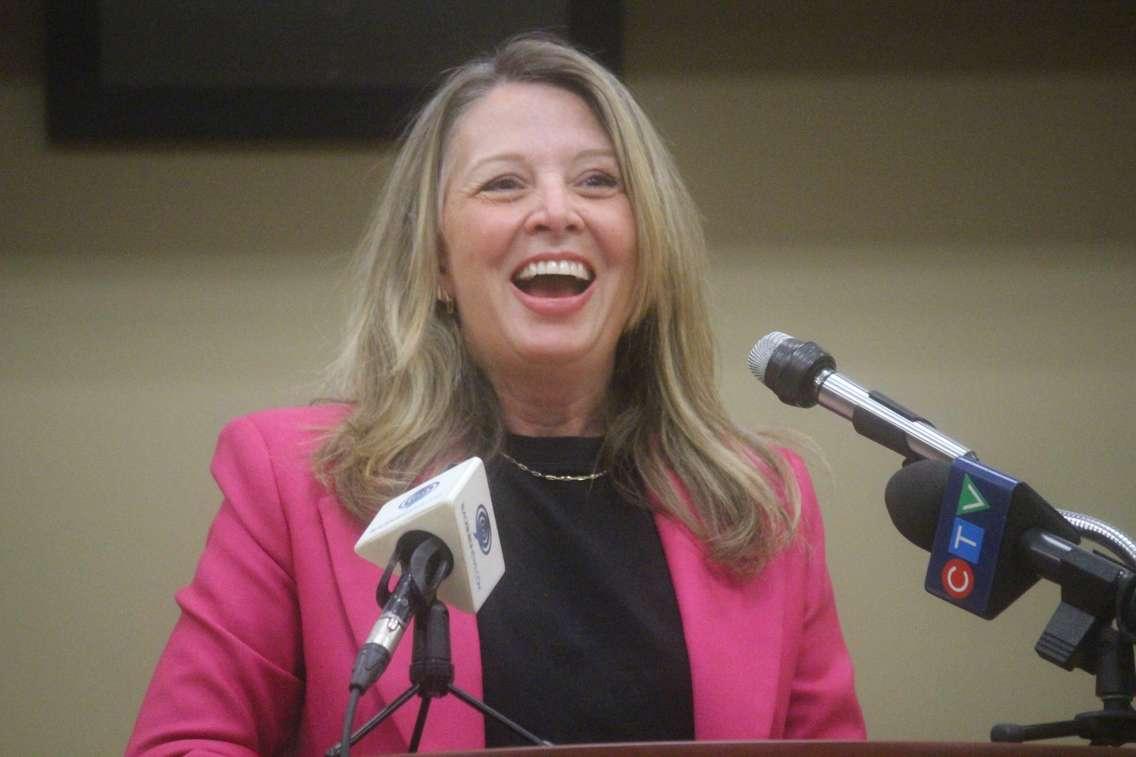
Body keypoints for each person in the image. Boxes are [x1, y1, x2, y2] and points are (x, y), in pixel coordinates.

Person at [126, 34, 865, 755]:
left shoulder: (760, 504)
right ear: (437, 262)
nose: (556, 212)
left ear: (648, 251)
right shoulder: (293, 481)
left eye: (599, 181)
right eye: (504, 183)